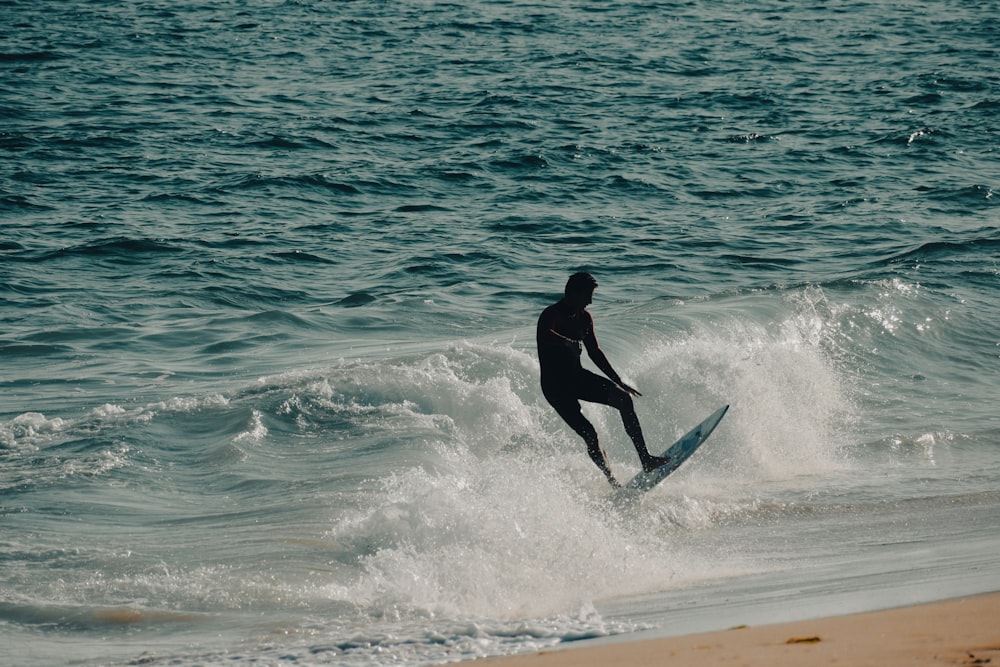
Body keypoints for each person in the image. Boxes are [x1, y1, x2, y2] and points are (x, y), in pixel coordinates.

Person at [536, 272, 669, 487]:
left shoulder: (584, 318)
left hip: (577, 378)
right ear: (574, 293)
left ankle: (646, 459)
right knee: (589, 434)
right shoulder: (551, 314)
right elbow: (545, 335)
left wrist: (618, 381)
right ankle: (612, 481)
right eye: (588, 295)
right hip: (555, 387)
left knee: (624, 400)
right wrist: (567, 342)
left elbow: (595, 352)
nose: (590, 301)